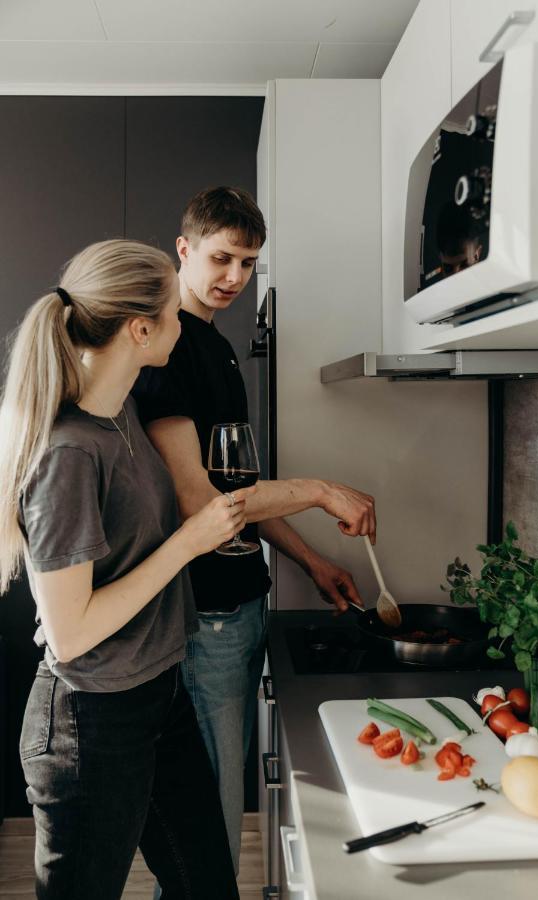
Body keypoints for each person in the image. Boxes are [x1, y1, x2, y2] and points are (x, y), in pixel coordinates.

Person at [0, 239, 253, 899]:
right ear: (141, 330)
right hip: (90, 725)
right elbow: (70, 635)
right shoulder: (69, 454)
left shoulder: (122, 416)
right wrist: (188, 543)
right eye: (174, 313)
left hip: (155, 698)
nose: (184, 324)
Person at [133, 186, 377, 871]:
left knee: (209, 809)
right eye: (222, 258)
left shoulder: (213, 346)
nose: (235, 277)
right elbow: (198, 500)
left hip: (237, 605)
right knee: (206, 816)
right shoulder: (169, 351)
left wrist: (307, 561)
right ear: (182, 249)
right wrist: (322, 490)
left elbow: (242, 494)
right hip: (204, 612)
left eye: (249, 264)